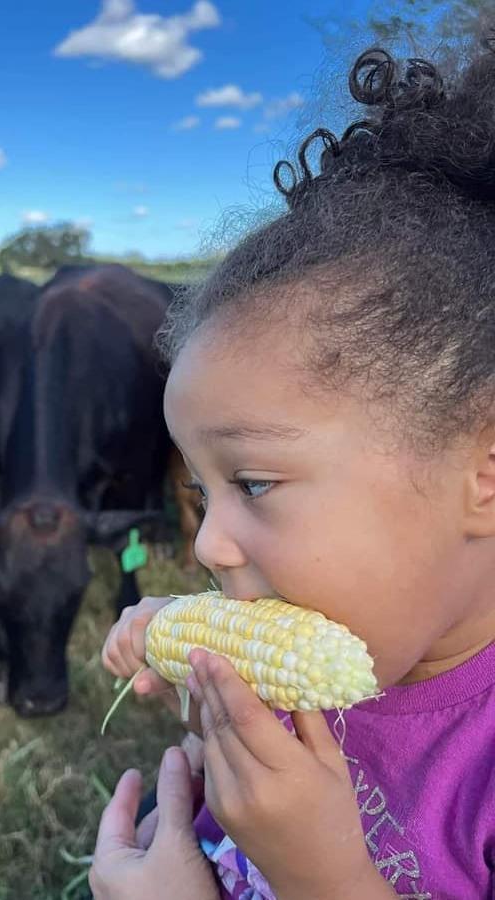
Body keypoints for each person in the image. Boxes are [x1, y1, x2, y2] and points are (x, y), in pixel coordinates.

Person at [88, 29, 495, 900]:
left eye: (255, 482)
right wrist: (197, 688)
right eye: (204, 491)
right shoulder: (345, 623)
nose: (205, 548)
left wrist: (331, 879)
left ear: (486, 468)